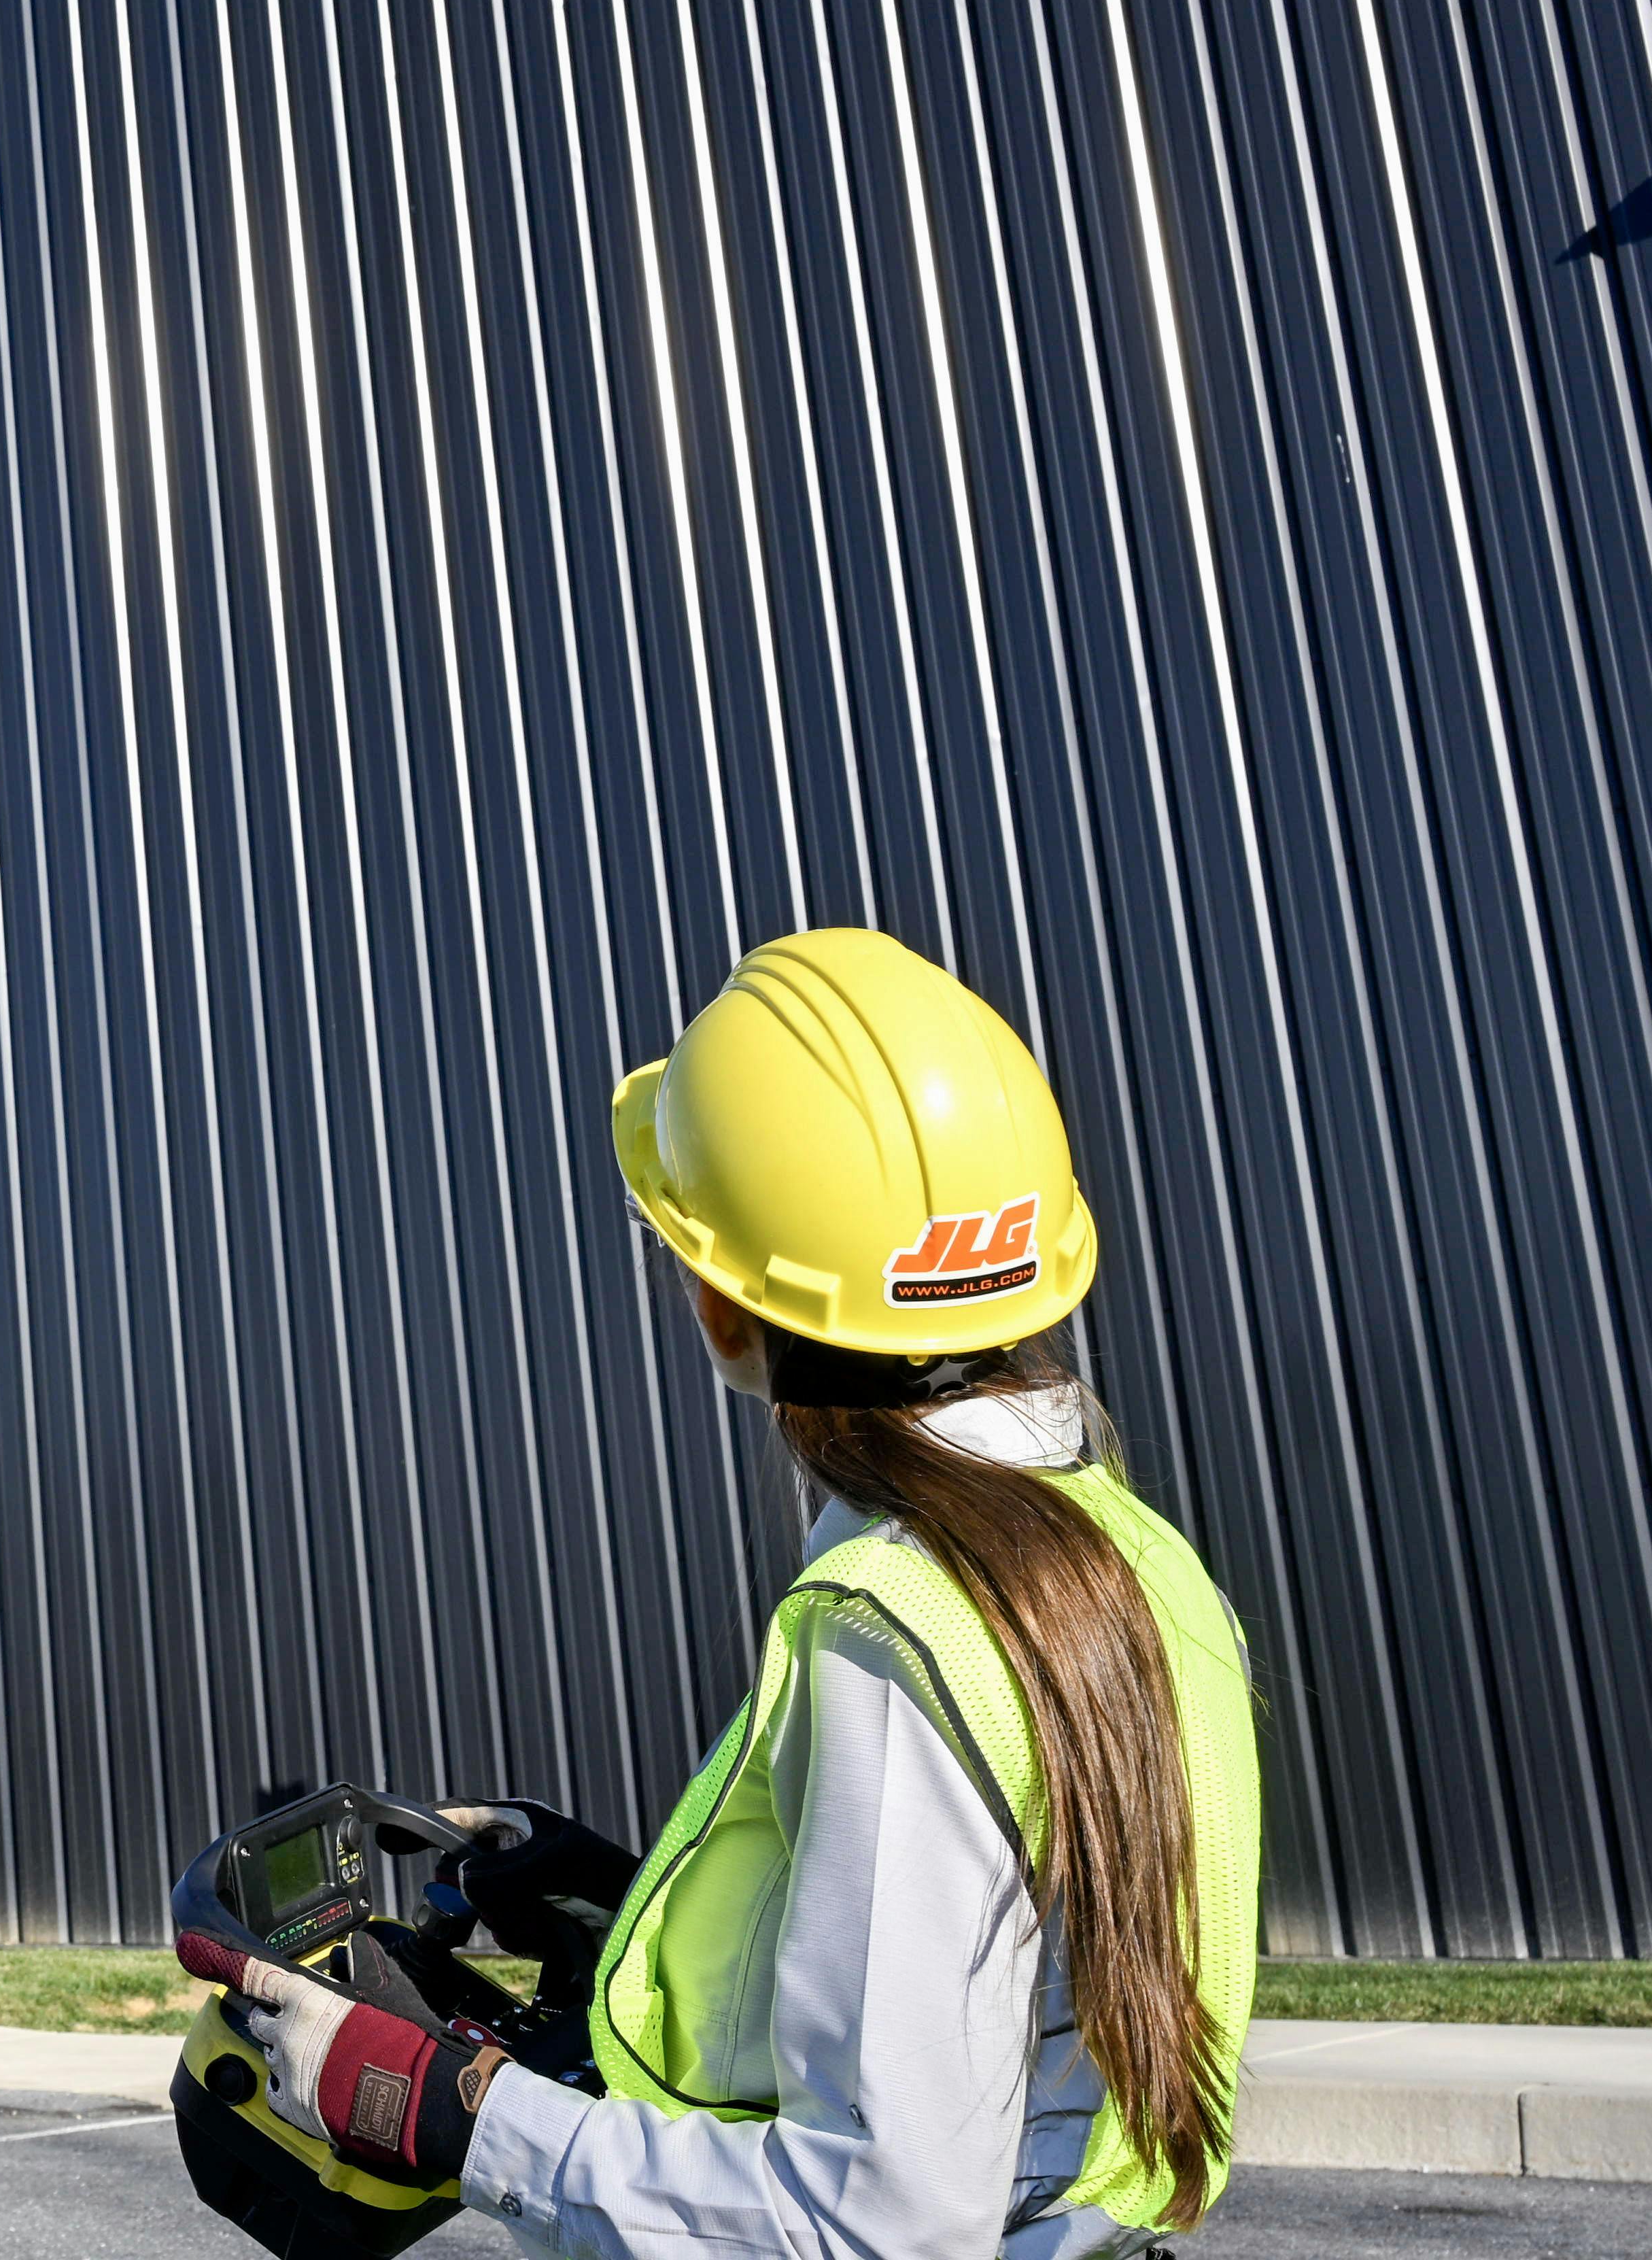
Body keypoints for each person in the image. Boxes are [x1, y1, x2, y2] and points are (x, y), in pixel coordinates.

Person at [222, 927, 1262, 2254]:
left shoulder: (893, 1632)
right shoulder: (1142, 1573)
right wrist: (618, 1908)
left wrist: (460, 2112)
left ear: (723, 1302)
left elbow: (882, 2225)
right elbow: (1016, 1994)